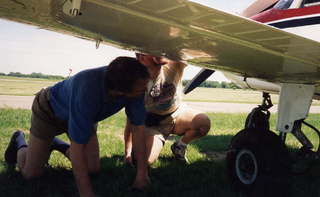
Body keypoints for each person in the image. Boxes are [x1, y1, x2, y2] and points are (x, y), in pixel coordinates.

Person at [4, 56, 150, 197]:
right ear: (120, 91)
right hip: (49, 111)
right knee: (31, 174)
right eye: (141, 88)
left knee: (92, 169)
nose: (146, 89)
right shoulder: (88, 88)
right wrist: (86, 193)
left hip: (84, 116)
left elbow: (138, 129)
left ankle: (56, 143)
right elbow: (77, 146)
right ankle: (19, 141)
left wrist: (142, 175)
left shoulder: (137, 87)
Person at [124, 53, 211, 165]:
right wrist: (127, 152)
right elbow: (131, 119)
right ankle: (152, 142)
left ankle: (180, 147)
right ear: (141, 58)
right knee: (144, 161)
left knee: (202, 123)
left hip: (177, 114)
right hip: (154, 125)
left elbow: (190, 47)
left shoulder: (174, 64)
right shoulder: (137, 80)